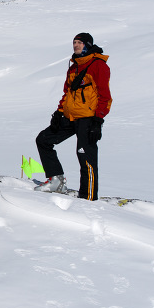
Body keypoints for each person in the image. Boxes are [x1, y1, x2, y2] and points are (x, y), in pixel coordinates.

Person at [35, 33, 112, 200]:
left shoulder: (98, 66)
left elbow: (105, 97)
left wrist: (98, 120)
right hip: (70, 117)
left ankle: (88, 197)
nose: (76, 45)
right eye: (74, 42)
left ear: (88, 45)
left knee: (85, 156)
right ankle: (56, 180)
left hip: (88, 118)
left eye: (80, 43)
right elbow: (67, 93)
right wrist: (59, 112)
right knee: (43, 139)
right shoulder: (73, 67)